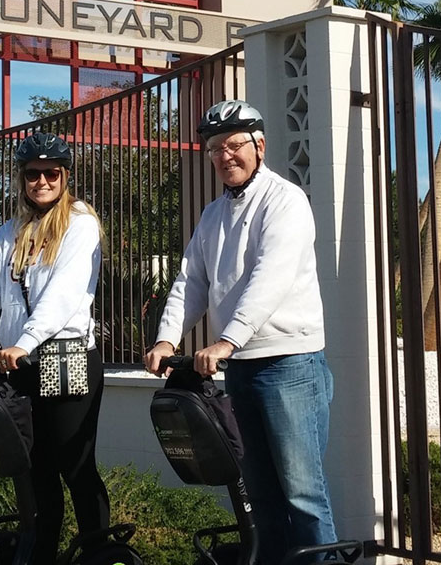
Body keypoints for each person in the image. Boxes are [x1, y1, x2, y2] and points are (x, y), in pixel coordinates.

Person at [144, 100, 335, 563]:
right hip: (242, 370)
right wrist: (167, 338)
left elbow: (271, 277)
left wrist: (227, 340)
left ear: (260, 145)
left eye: (234, 144)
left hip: (290, 364)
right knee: (260, 498)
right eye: (215, 148)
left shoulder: (286, 201)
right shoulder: (212, 215)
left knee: (303, 495)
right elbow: (191, 280)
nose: (225, 155)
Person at [0, 133, 108, 562]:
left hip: (67, 359)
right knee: (35, 468)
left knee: (75, 465)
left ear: (64, 176)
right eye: (33, 174)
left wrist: (25, 342)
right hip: (19, 362)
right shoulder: (12, 230)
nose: (41, 181)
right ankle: (41, 553)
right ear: (22, 179)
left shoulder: (80, 223)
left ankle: (97, 552)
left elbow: (63, 295)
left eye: (50, 173)